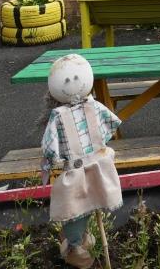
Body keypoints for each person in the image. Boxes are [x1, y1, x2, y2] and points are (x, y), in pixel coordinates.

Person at [40, 53, 123, 268]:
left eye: (76, 77)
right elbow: (50, 145)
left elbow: (109, 125)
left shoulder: (93, 105)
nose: (72, 82)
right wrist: (51, 161)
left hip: (98, 163)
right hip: (76, 169)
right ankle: (75, 246)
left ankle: (81, 242)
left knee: (98, 197)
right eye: (66, 79)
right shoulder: (58, 116)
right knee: (75, 207)